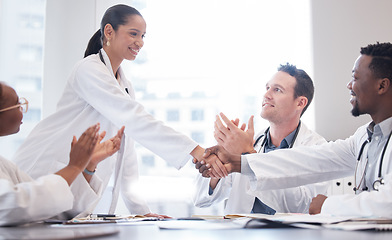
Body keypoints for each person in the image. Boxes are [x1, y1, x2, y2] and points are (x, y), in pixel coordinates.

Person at [12, 4, 206, 219]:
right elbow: (132, 117)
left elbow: (127, 152)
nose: (139, 42)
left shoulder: (124, 85)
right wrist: (194, 149)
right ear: (109, 31)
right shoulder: (88, 69)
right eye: (133, 34)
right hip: (43, 169)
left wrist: (141, 211)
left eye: (143, 36)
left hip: (75, 185)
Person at [200, 42, 392, 217]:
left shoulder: (314, 141)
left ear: (382, 85)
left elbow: (387, 203)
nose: (349, 85)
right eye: (268, 87)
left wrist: (327, 206)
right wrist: (236, 159)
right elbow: (306, 161)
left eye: (355, 77)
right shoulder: (363, 137)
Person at [193, 64, 329, 214]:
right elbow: (202, 200)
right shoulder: (252, 141)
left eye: (277, 90)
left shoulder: (317, 148)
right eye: (267, 88)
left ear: (300, 102)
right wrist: (217, 167)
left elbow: (305, 206)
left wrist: (248, 155)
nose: (267, 95)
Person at [0, 82, 123, 226]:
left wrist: (87, 167)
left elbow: (50, 208)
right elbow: (10, 207)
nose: (22, 109)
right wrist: (73, 167)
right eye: (17, 104)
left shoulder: (5, 166)